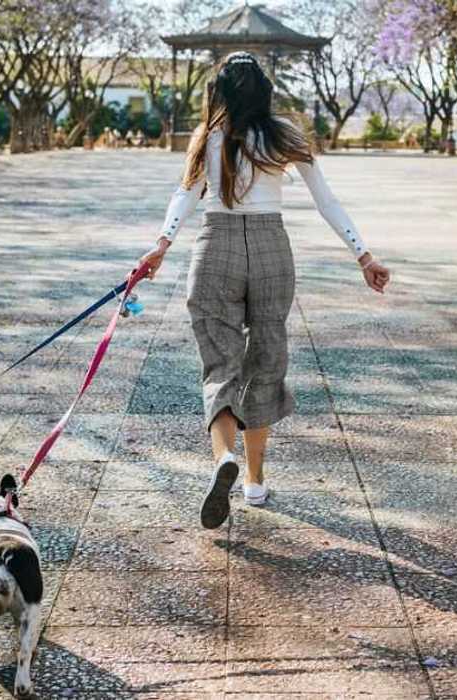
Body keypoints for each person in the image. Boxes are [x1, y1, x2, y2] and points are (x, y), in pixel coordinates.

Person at [135, 51, 391, 529]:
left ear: (221, 93)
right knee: (266, 361)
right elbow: (326, 201)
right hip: (273, 248)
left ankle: (221, 459)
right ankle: (253, 480)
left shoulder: (207, 135)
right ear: (265, 93)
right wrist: (363, 255)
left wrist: (160, 246)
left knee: (220, 362)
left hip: (216, 247)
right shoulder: (284, 135)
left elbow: (185, 195)